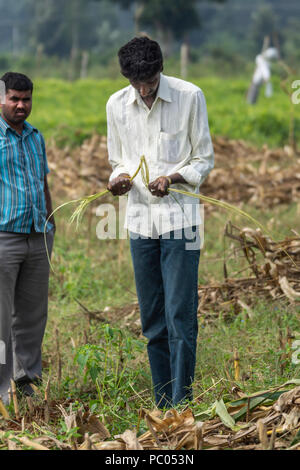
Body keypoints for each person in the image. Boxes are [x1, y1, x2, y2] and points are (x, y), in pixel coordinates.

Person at [106, 37, 214, 408]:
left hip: (180, 222)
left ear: (160, 69)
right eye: (135, 82)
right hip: (139, 223)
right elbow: (117, 160)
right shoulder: (116, 105)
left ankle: (182, 402)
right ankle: (162, 402)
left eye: (148, 81)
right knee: (153, 320)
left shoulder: (190, 96)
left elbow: (203, 159)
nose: (143, 89)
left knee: (180, 316)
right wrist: (117, 180)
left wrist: (174, 177)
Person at [0, 72, 55, 405]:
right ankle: (2, 390)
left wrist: (50, 224)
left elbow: (43, 183)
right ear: (1, 99)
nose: (21, 105)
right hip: (4, 237)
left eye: (26, 99)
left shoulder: (36, 137)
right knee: (1, 317)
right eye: (14, 99)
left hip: (38, 237)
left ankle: (27, 381)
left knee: (32, 315)